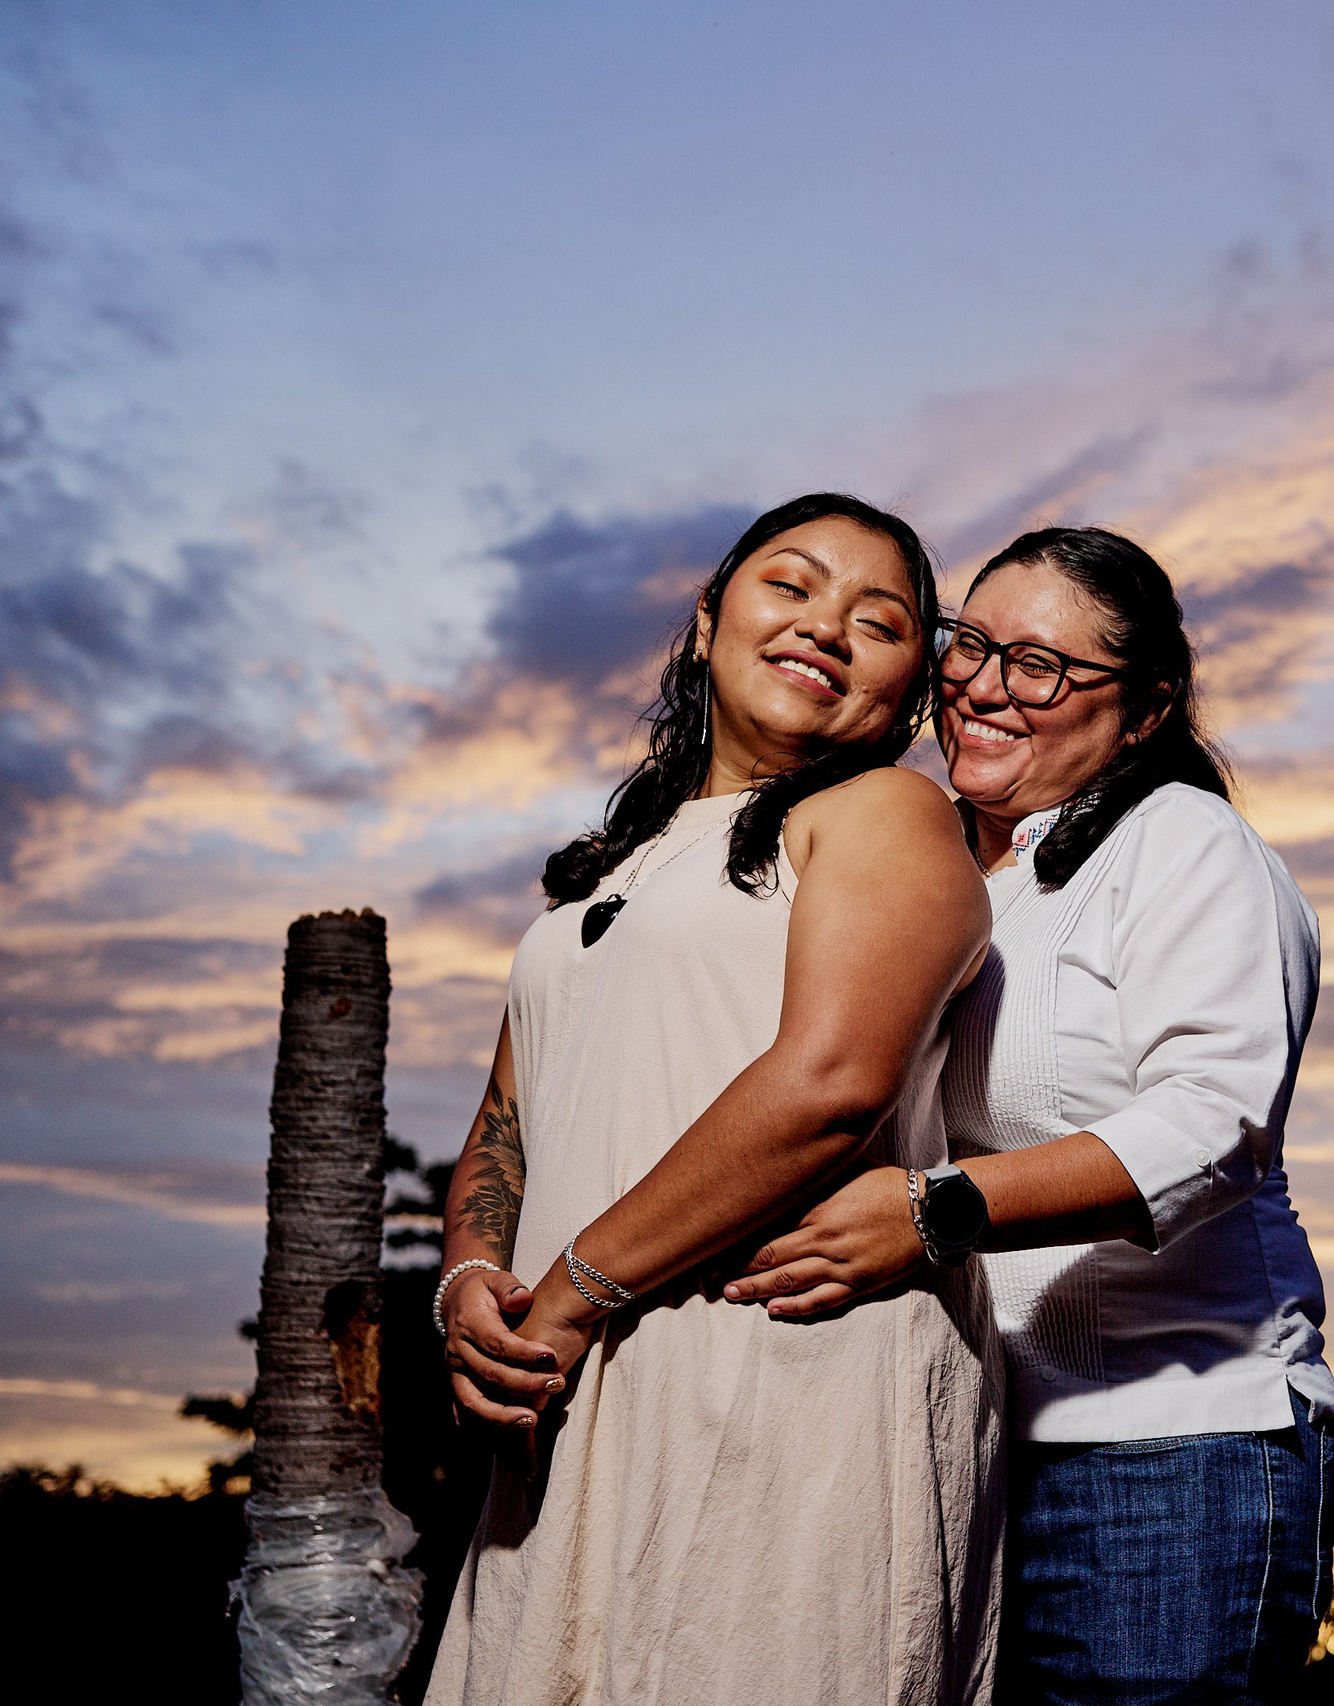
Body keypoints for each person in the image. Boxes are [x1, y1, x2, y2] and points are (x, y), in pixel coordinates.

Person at [731, 526, 1334, 1703]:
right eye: (969, 644)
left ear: (1147, 707)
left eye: (1039, 666)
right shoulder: (945, 871)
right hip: (966, 1442)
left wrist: (933, 1210)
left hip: (1170, 1446)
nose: (980, 688)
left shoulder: (1186, 846)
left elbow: (1212, 1123)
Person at [424, 494, 1003, 1706]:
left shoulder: (884, 815)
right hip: (567, 1390)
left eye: (879, 620)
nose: (826, 626)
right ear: (706, 622)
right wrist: (472, 1282)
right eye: (790, 586)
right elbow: (506, 1122)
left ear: (910, 692)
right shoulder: (606, 871)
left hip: (779, 1372)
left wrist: (577, 1287)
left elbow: (831, 1086)